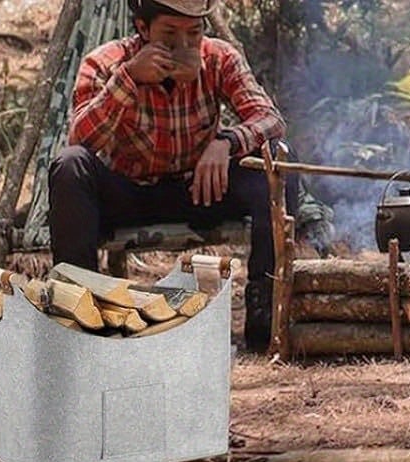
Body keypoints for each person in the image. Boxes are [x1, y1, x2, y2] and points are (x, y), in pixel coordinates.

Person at [47, 0, 288, 351]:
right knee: (70, 167)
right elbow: (79, 138)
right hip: (130, 192)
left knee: (278, 169)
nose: (185, 46)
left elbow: (270, 119)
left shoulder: (219, 57)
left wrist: (227, 140)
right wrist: (129, 79)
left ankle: (265, 316)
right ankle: (81, 322)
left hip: (199, 190)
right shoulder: (106, 62)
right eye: (170, 35)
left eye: (194, 33)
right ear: (143, 30)